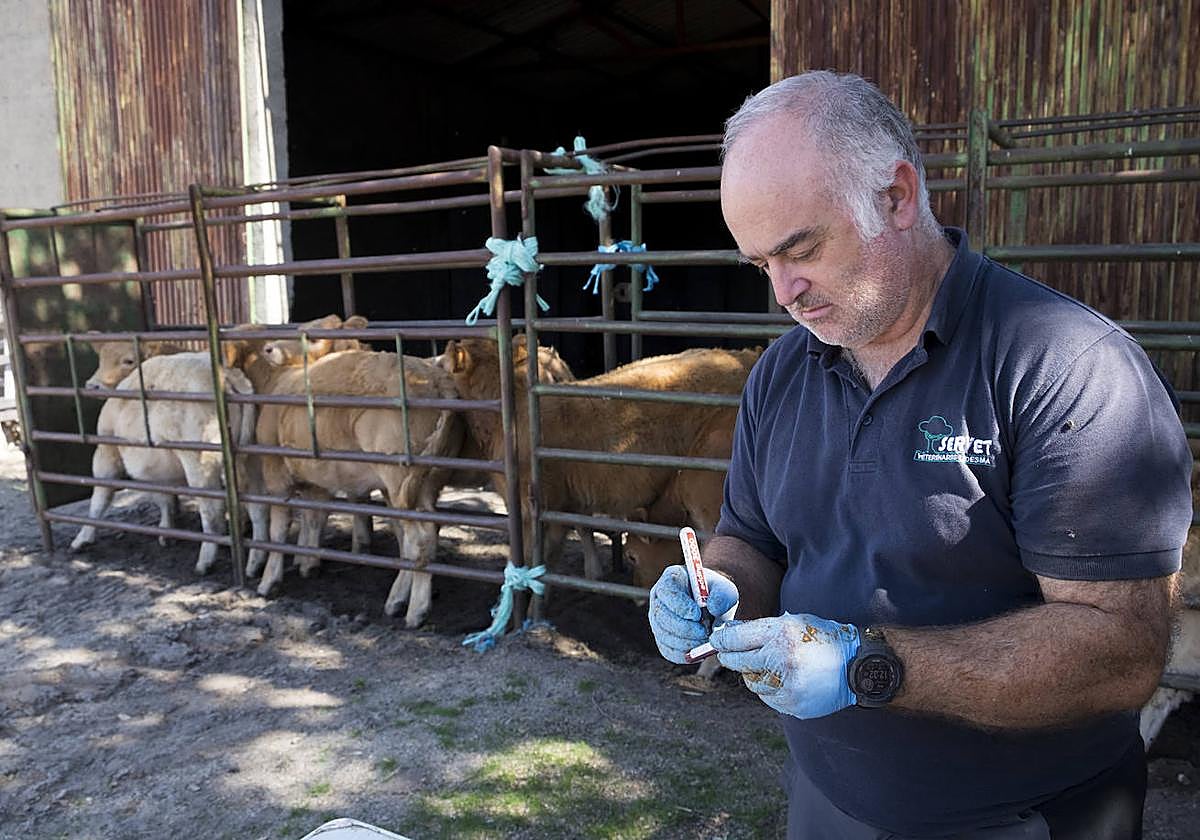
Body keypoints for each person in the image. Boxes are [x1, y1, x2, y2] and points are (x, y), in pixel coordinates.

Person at [648, 71, 1194, 840]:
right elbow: (752, 539)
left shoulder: (1065, 366)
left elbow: (1122, 650)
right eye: (759, 264)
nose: (785, 292)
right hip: (827, 797)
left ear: (897, 197)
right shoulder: (783, 372)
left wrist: (866, 667)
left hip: (1027, 817)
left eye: (801, 249)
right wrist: (719, 586)